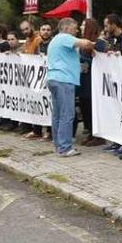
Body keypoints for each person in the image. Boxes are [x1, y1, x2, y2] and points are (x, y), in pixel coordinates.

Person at [46, 18, 94, 157]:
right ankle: (65, 148)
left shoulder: (55, 39)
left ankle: (58, 145)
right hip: (64, 80)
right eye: (75, 27)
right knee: (67, 114)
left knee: (58, 114)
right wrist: (96, 44)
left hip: (54, 79)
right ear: (66, 28)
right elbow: (84, 43)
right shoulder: (65, 37)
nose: (77, 30)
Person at [78, 18, 108, 146]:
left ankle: (98, 136)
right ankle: (90, 132)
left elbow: (101, 61)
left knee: (92, 108)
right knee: (85, 108)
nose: (81, 27)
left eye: (84, 25)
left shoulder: (99, 43)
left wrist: (85, 60)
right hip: (83, 80)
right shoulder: (82, 43)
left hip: (93, 81)